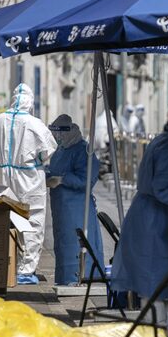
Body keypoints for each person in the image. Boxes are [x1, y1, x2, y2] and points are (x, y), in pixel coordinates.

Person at [111, 105, 168, 328]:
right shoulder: (166, 148)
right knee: (153, 274)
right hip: (150, 219)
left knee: (165, 274)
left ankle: (166, 319)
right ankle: (156, 324)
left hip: (163, 217)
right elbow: (162, 189)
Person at [0, 83, 57, 285]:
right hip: (30, 179)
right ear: (30, 102)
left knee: (8, 221)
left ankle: (8, 264)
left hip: (5, 178)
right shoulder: (36, 124)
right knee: (32, 222)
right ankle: (26, 270)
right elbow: (47, 151)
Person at [47, 114, 105, 286]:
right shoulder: (61, 150)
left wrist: (63, 179)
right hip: (60, 207)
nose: (57, 138)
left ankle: (82, 276)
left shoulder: (84, 151)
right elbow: (54, 169)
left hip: (78, 208)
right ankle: (66, 278)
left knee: (77, 242)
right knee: (63, 242)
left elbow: (86, 179)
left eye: (60, 134)